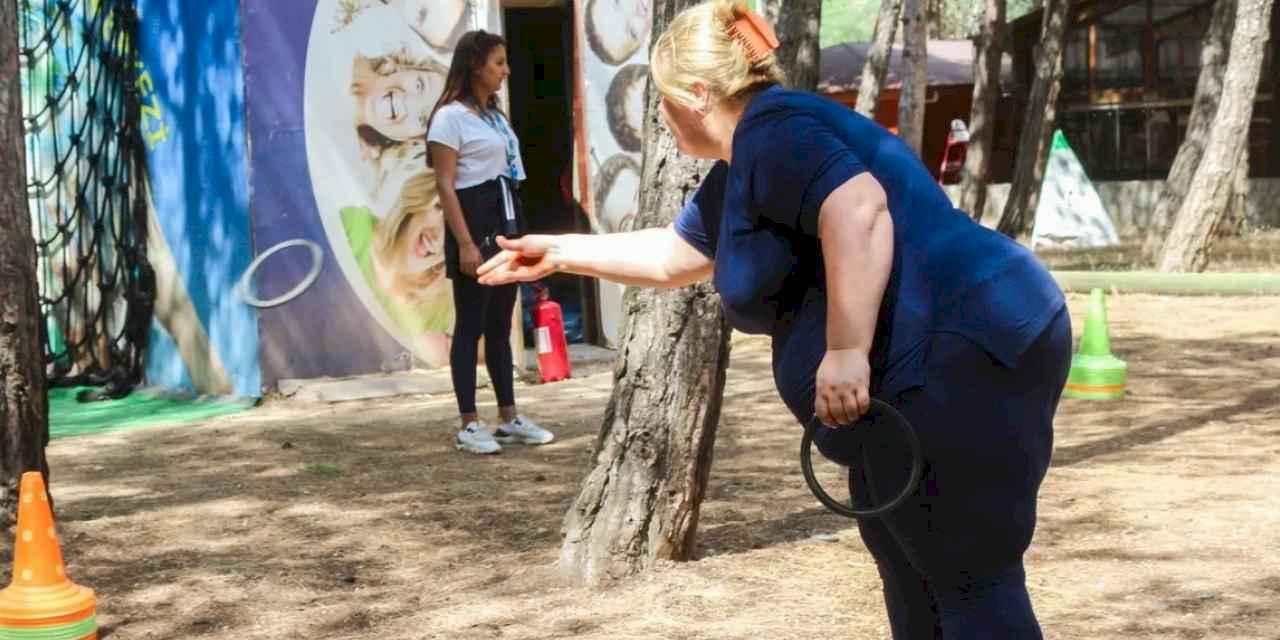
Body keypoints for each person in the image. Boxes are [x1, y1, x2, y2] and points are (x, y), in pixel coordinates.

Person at [476, 2, 1071, 637]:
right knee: (905, 557)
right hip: (937, 359)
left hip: (967, 348)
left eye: (665, 98)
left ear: (700, 94)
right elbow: (677, 256)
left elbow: (860, 209)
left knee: (966, 572)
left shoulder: (774, 132)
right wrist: (558, 252)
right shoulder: (746, 161)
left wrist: (845, 351)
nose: (661, 114)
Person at [427, 30, 555, 455]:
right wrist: (465, 243)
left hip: (505, 217)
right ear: (476, 65)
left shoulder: (494, 116)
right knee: (471, 323)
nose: (506, 70)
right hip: (473, 219)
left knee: (502, 323)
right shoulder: (449, 117)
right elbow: (445, 185)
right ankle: (468, 422)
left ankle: (508, 417)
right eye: (499, 62)